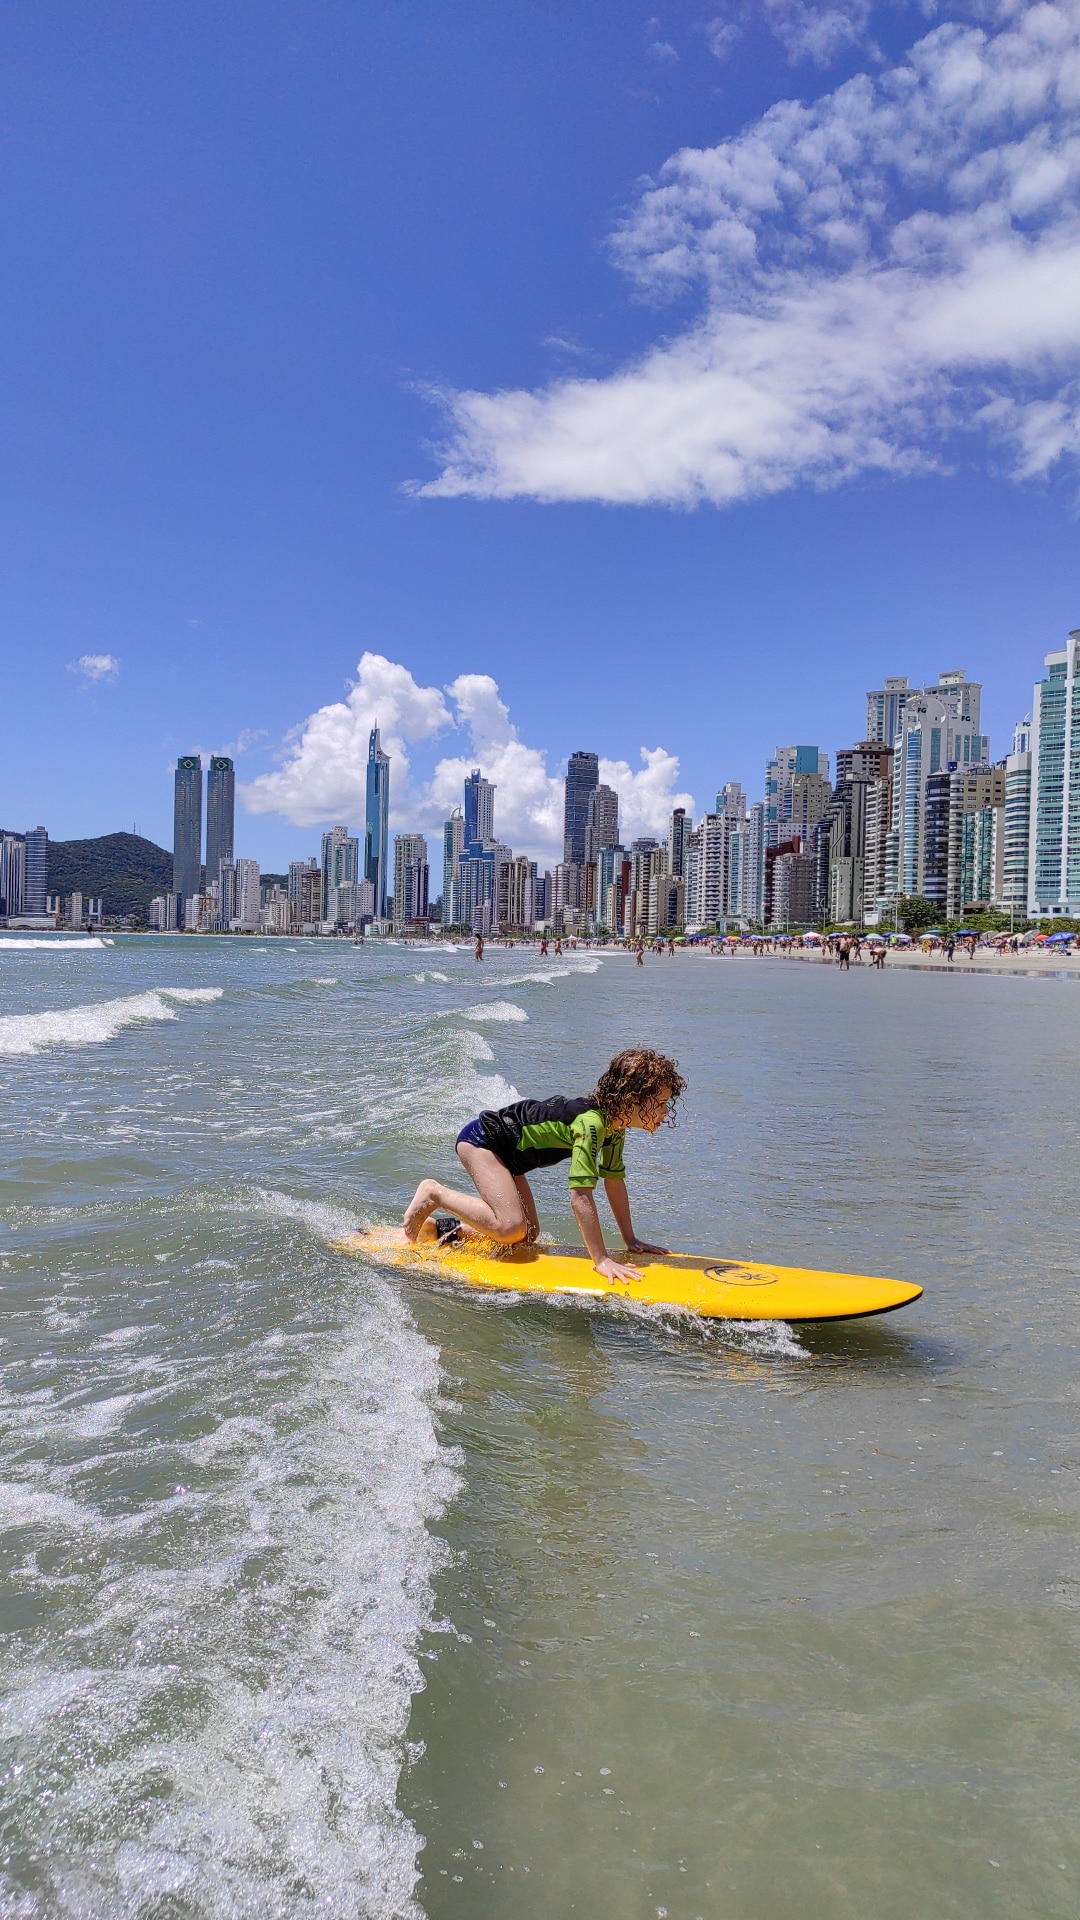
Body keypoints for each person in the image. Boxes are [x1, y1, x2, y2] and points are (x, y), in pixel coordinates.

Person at [402, 1047, 686, 1282]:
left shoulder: (615, 1127)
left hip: (510, 1155)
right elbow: (580, 1196)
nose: (664, 1111)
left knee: (526, 1236)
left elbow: (613, 1182)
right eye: (659, 1103)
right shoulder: (591, 1124)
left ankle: (443, 1231)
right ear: (629, 1100)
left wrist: (630, 1239)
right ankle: (434, 1193)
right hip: (484, 1141)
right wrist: (600, 1259)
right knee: (511, 1227)